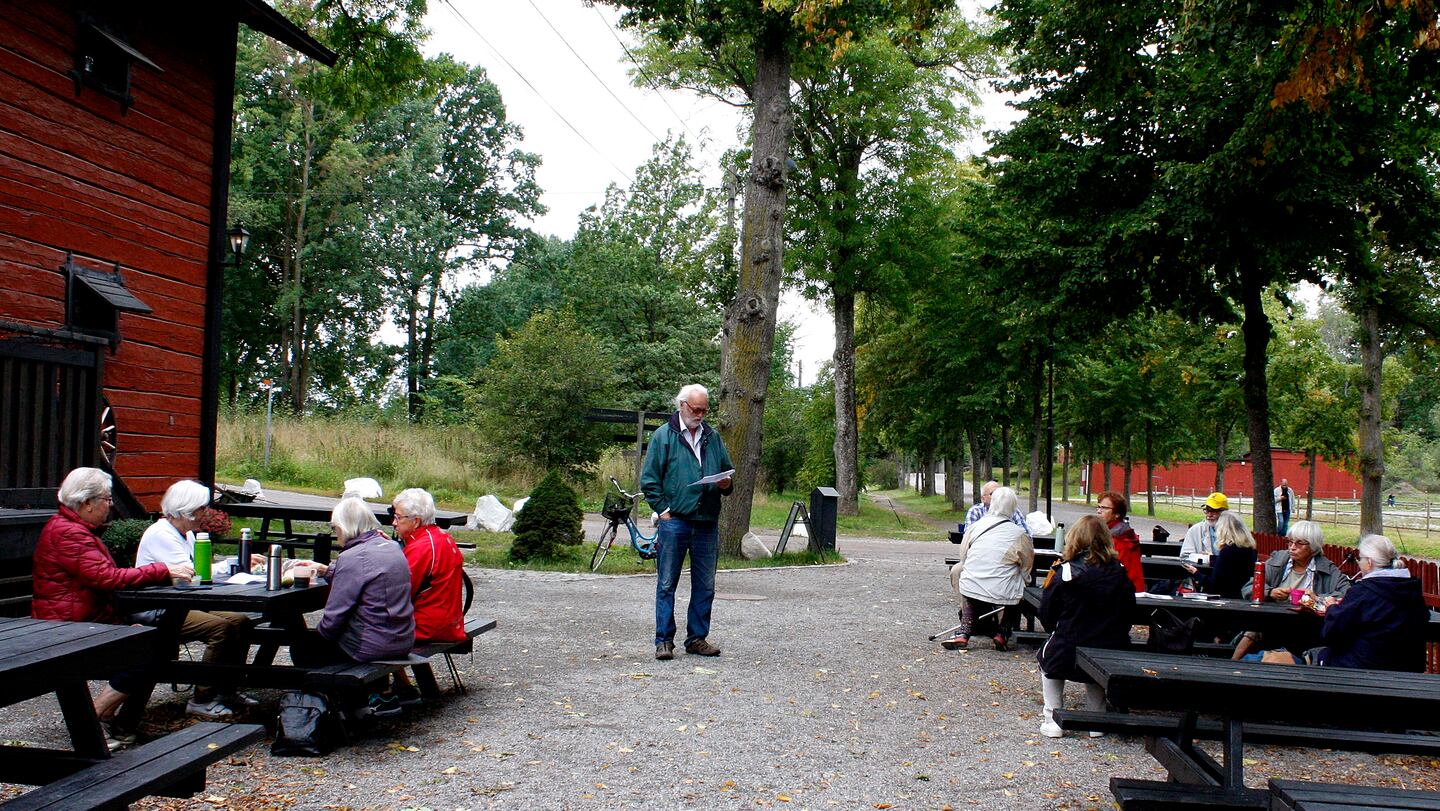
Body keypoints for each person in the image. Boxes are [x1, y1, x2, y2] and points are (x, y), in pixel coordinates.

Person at [31, 467, 193, 749]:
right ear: (86, 502)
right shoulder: (71, 534)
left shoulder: (72, 528)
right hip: (69, 625)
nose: (109, 504)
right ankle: (95, 717)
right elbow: (107, 578)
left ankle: (114, 720)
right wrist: (162, 570)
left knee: (153, 642)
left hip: (81, 618)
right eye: (106, 499)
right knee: (150, 647)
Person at [134, 480, 256, 719]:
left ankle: (227, 689)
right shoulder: (161, 534)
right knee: (220, 628)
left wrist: (235, 563)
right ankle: (202, 698)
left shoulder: (186, 534)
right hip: (159, 608)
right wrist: (232, 564)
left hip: (182, 603)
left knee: (241, 621)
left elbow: (200, 571)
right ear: (186, 510)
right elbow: (195, 573)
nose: (204, 514)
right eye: (201, 509)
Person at [641, 383, 734, 662]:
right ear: (682, 405)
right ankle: (664, 641)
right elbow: (649, 480)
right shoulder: (663, 436)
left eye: (705, 409)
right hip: (676, 521)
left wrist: (726, 483)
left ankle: (696, 638)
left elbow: (727, 474)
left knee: (705, 584)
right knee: (667, 582)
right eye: (697, 409)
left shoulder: (712, 437)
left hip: (706, 521)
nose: (701, 414)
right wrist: (664, 511)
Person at [1036, 515, 1136, 738]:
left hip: (1068, 646)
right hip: (1109, 643)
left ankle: (1053, 719)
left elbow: (1047, 612)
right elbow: (1130, 610)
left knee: (1047, 659)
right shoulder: (1119, 571)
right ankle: (1096, 719)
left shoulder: (1066, 571)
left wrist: (1056, 629)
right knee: (1098, 663)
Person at [296, 498, 415, 671]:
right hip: (402, 640)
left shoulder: (353, 557)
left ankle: (323, 693)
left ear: (344, 527)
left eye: (335, 528)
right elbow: (366, 575)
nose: (336, 535)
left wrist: (319, 636)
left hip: (370, 647)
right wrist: (326, 571)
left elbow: (334, 616)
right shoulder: (392, 547)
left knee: (302, 647)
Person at [388, 488, 467, 703]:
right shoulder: (441, 536)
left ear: (416, 521)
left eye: (397, 517)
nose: (394, 523)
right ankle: (402, 686)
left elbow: (398, 593)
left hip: (428, 625)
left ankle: (388, 692)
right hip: (450, 619)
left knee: (367, 627)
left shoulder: (421, 547)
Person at [1231, 519, 1351, 660]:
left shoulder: (1327, 569)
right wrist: (1270, 592)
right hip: (1272, 623)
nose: (1292, 547)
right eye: (1290, 542)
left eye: (1299, 543)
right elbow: (1248, 587)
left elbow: (1346, 593)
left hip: (1306, 628)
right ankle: (1232, 668)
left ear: (1313, 547)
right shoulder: (1277, 561)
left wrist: (1317, 598)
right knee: (1255, 630)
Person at [1312, 535, 1428, 672]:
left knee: (1316, 655)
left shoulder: (1363, 591)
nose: (1358, 563)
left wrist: (1331, 608)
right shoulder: (1411, 588)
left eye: (1360, 559)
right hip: (1409, 668)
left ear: (1369, 562)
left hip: (1363, 668)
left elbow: (1331, 634)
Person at [942, 487, 1034, 651]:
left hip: (972, 585)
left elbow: (964, 555)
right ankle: (1002, 633)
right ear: (1013, 507)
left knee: (970, 585)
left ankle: (964, 632)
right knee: (1019, 586)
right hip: (1004, 591)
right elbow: (1026, 565)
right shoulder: (1019, 534)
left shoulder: (976, 527)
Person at [1181, 511, 1257, 599]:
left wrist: (1196, 573)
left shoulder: (1227, 551)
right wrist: (1214, 558)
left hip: (1224, 598)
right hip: (1243, 596)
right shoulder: (1250, 550)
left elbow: (1214, 585)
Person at [1096, 491, 1144, 592]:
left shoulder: (1119, 539)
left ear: (1117, 514)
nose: (1099, 511)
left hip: (1124, 591)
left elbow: (1113, 572)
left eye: (1104, 508)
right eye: (1098, 507)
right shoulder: (1117, 532)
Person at [963, 480, 1031, 535]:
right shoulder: (975, 511)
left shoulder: (1013, 510)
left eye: (999, 493)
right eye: (993, 493)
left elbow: (1026, 535)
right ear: (983, 499)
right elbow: (968, 535)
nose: (998, 496)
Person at [1180, 492, 1229, 559]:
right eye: (1207, 511)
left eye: (1214, 511)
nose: (1209, 515)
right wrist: (1204, 558)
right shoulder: (1195, 530)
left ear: (1225, 512)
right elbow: (1185, 556)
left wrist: (1211, 558)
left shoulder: (1235, 532)